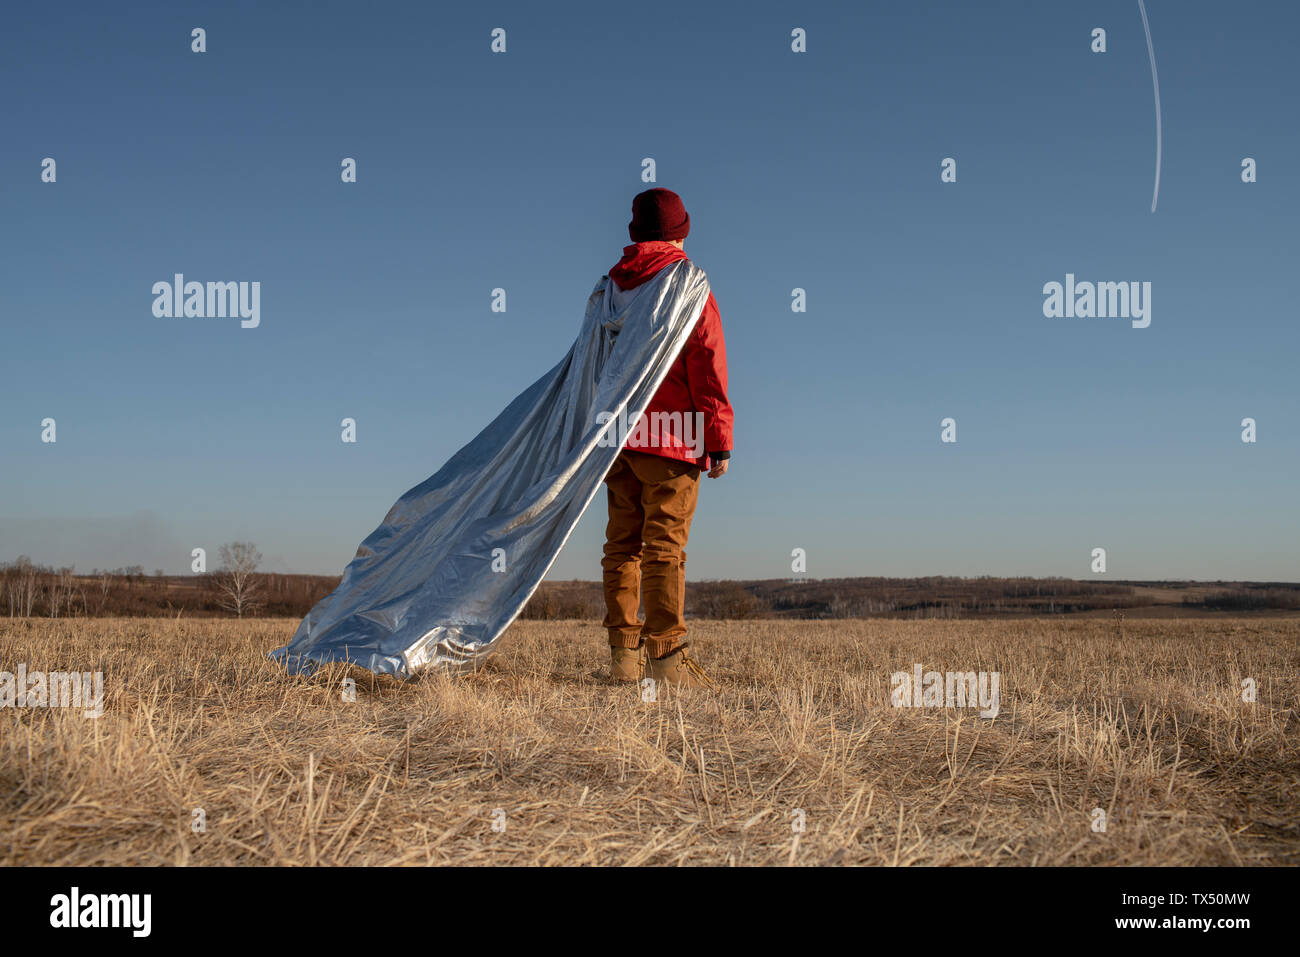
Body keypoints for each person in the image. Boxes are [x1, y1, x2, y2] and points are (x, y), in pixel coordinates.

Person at [602, 188, 733, 689]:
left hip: (616, 438)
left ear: (635, 234)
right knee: (664, 547)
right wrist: (717, 438)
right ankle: (669, 661)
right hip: (673, 438)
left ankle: (623, 659)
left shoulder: (611, 289)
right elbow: (707, 364)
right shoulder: (689, 285)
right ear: (683, 231)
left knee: (621, 547)